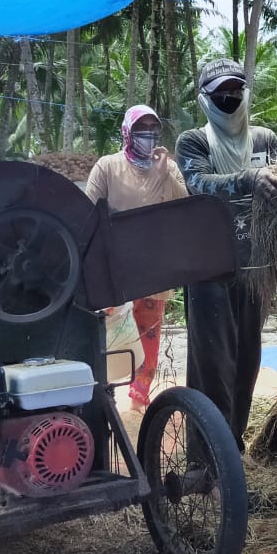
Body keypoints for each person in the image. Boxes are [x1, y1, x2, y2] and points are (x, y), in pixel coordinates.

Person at [175, 58, 277, 449]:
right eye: (221, 92)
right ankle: (206, 455)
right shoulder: (193, 141)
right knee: (212, 362)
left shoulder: (266, 140)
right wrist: (248, 179)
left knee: (247, 360)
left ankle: (232, 446)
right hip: (209, 267)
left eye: (236, 89)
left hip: (254, 266)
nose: (230, 97)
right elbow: (199, 183)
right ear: (205, 98)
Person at [85, 105, 187, 407]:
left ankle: (139, 397)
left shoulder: (168, 168)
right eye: (141, 128)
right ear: (127, 132)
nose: (148, 135)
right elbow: (88, 212)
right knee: (112, 331)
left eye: (154, 128)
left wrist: (165, 175)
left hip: (154, 268)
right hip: (114, 268)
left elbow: (185, 206)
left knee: (149, 334)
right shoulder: (108, 166)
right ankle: (105, 394)